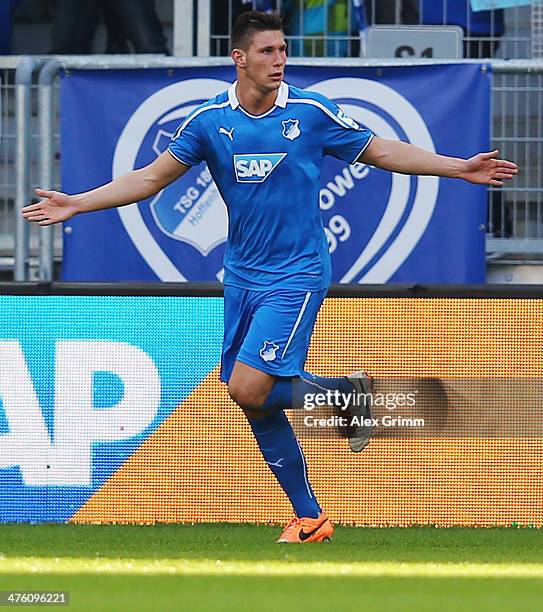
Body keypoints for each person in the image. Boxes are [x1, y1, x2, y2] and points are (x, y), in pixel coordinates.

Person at [22, 11, 517, 543]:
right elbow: (149, 178)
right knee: (249, 395)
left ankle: (351, 396)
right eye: (266, 52)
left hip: (298, 272)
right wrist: (78, 203)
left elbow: (381, 150)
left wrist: (457, 167)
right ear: (239, 58)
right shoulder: (210, 121)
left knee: (250, 384)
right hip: (242, 276)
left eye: (282, 50)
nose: (279, 60)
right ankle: (311, 517)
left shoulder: (309, 111)